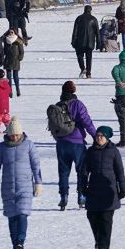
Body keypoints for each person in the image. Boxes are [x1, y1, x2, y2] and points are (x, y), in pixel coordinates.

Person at [0, 116, 42, 249]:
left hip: (25, 186)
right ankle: (14, 244)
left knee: (22, 214)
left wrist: (38, 183)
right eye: (12, 134)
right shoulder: (2, 147)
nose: (14, 137)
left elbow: (36, 165)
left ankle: (20, 242)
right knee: (12, 216)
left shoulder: (29, 145)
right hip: (8, 186)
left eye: (17, 134)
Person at [79, 126, 125, 249]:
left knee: (106, 219)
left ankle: (103, 246)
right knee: (92, 216)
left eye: (101, 136)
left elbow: (119, 170)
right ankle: (99, 240)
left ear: (107, 138)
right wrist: (82, 186)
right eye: (97, 136)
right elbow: (84, 170)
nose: (99, 138)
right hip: (94, 189)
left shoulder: (113, 151)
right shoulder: (90, 151)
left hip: (108, 190)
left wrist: (122, 188)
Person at [52, 80, 97, 210]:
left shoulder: (58, 105)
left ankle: (64, 196)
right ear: (73, 91)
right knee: (81, 170)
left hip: (61, 143)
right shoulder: (77, 104)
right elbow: (86, 121)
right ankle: (82, 196)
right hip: (77, 142)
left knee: (63, 171)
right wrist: (95, 135)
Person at [71, 5, 99, 79]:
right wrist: (99, 43)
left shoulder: (79, 18)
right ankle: (88, 73)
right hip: (90, 42)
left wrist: (73, 41)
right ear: (90, 10)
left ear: (84, 10)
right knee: (89, 57)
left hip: (80, 42)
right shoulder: (94, 19)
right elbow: (97, 33)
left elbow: (75, 31)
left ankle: (83, 68)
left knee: (80, 56)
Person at [1, 29, 24, 96]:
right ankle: (9, 90)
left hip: (16, 60)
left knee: (15, 76)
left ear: (15, 33)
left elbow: (21, 51)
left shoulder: (18, 40)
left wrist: (20, 58)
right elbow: (4, 49)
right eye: (9, 32)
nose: (11, 33)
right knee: (8, 77)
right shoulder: (6, 40)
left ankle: (17, 89)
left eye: (12, 32)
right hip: (8, 60)